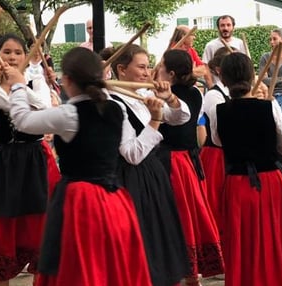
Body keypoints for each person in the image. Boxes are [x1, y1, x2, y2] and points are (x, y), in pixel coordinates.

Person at [12, 46, 153, 286]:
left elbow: (22, 120)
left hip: (81, 201)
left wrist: (17, 85)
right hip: (114, 199)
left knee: (81, 267)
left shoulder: (70, 114)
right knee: (110, 267)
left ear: (66, 79)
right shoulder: (115, 108)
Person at [210, 53, 282, 286]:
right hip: (269, 182)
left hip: (237, 184)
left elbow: (219, 142)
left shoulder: (218, 110)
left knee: (244, 244)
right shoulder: (269, 107)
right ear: (252, 76)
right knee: (275, 239)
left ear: (224, 77)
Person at [0, 34, 60, 286]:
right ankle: (2, 281)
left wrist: (20, 84)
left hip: (35, 158)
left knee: (40, 222)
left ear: (25, 56)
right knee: (3, 222)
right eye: (7, 52)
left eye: (18, 52)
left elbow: (45, 108)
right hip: (5, 161)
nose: (12, 57)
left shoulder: (35, 79)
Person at [108, 44, 192, 286]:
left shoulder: (143, 94)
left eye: (148, 66)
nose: (147, 73)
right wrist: (155, 119)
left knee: (161, 242)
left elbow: (180, 118)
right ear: (122, 69)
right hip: (131, 182)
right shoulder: (114, 103)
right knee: (143, 245)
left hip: (153, 177)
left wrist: (170, 98)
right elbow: (131, 153)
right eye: (142, 67)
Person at [156, 49, 223, 285]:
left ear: (171, 73)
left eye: (161, 66)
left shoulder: (168, 95)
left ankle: (182, 272)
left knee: (178, 216)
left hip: (173, 163)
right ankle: (190, 274)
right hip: (187, 160)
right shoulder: (196, 93)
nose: (157, 69)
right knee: (189, 214)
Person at [199, 47, 235, 233]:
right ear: (219, 70)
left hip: (232, 156)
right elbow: (218, 132)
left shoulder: (234, 93)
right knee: (217, 204)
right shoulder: (214, 95)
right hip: (217, 156)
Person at [202, 15, 249, 88]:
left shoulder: (240, 43)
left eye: (228, 25)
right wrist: (211, 87)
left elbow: (246, 66)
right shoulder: (210, 46)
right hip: (218, 87)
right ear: (218, 28)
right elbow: (206, 68)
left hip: (237, 87)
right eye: (222, 25)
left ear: (233, 27)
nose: (225, 28)